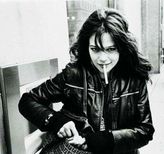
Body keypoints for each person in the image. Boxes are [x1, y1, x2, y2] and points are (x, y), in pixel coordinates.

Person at [18, 8, 155, 154]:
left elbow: (145, 130)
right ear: (86, 47)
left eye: (111, 49)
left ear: (122, 47)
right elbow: (28, 100)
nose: (102, 58)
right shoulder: (73, 75)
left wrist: (105, 140)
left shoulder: (134, 79)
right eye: (95, 49)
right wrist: (57, 121)